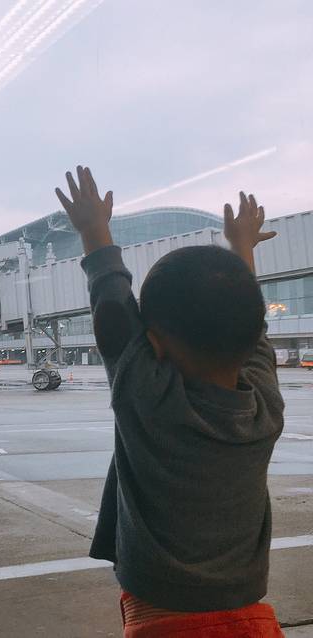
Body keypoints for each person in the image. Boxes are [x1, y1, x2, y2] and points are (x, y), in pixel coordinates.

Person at [56, 167, 284, 636]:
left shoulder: (151, 399)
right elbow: (245, 321)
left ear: (154, 342)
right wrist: (242, 248)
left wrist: (94, 229)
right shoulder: (264, 406)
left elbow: (113, 310)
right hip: (250, 616)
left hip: (162, 618)